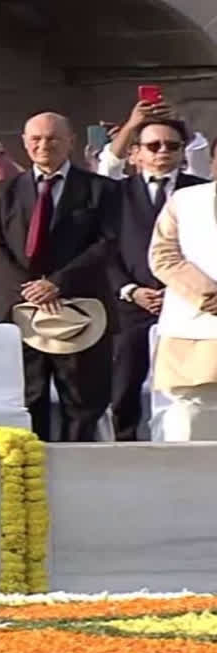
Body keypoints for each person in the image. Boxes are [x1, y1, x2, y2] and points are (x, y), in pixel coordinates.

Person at [0, 112, 118, 442]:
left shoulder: (101, 190)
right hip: (19, 309)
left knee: (82, 402)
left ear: (70, 141)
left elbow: (108, 243)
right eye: (36, 139)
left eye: (53, 138)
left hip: (78, 307)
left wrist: (56, 283)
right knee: (27, 399)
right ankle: (29, 478)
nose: (44, 146)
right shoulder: (2, 192)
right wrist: (28, 289)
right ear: (25, 144)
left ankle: (79, 476)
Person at [107, 118, 208, 441]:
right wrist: (131, 289)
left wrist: (181, 289)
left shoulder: (199, 192)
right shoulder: (115, 193)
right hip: (131, 304)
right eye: (153, 145)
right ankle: (125, 453)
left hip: (188, 305)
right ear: (136, 152)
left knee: (186, 392)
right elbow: (104, 248)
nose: (163, 151)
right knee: (124, 389)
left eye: (173, 145)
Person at [148, 180, 217, 440]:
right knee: (189, 413)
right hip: (192, 325)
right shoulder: (185, 199)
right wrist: (206, 292)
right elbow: (163, 255)